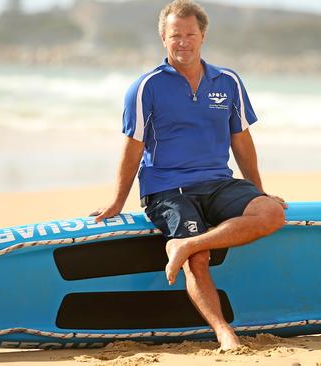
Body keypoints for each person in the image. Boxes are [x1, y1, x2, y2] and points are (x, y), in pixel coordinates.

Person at [90, 0, 286, 351]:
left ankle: (186, 244)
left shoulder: (227, 81)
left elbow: (240, 139)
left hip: (218, 182)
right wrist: (117, 201)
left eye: (190, 34)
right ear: (163, 38)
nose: (183, 42)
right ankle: (225, 333)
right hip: (167, 189)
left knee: (271, 213)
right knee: (199, 261)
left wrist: (258, 191)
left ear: (203, 36)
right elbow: (133, 147)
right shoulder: (146, 86)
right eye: (175, 35)